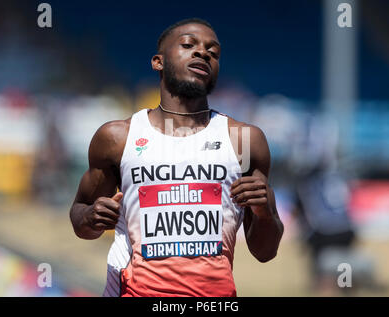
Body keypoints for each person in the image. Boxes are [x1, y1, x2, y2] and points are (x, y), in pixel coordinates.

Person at [69, 18, 284, 297]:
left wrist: (265, 212)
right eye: (188, 44)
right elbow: (80, 219)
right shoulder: (117, 138)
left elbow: (265, 252)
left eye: (213, 52)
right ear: (158, 62)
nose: (203, 53)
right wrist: (89, 216)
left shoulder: (243, 140)